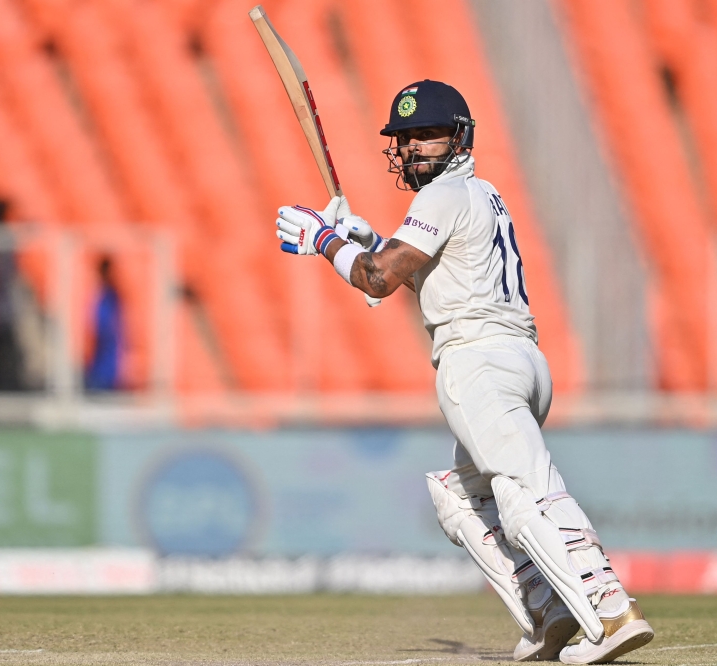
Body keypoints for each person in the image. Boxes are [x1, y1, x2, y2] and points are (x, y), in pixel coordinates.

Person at [274, 80, 654, 664]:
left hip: (478, 363)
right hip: (521, 360)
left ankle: (611, 608)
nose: (412, 148)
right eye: (405, 139)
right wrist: (368, 240)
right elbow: (428, 275)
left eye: (425, 135)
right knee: (461, 494)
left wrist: (325, 241)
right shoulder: (482, 194)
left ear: (458, 136)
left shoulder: (441, 197)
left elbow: (377, 279)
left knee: (524, 490)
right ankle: (548, 610)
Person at [84, 256, 125, 391]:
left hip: (107, 363)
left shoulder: (111, 296)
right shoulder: (103, 295)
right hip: (100, 360)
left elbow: (106, 328)